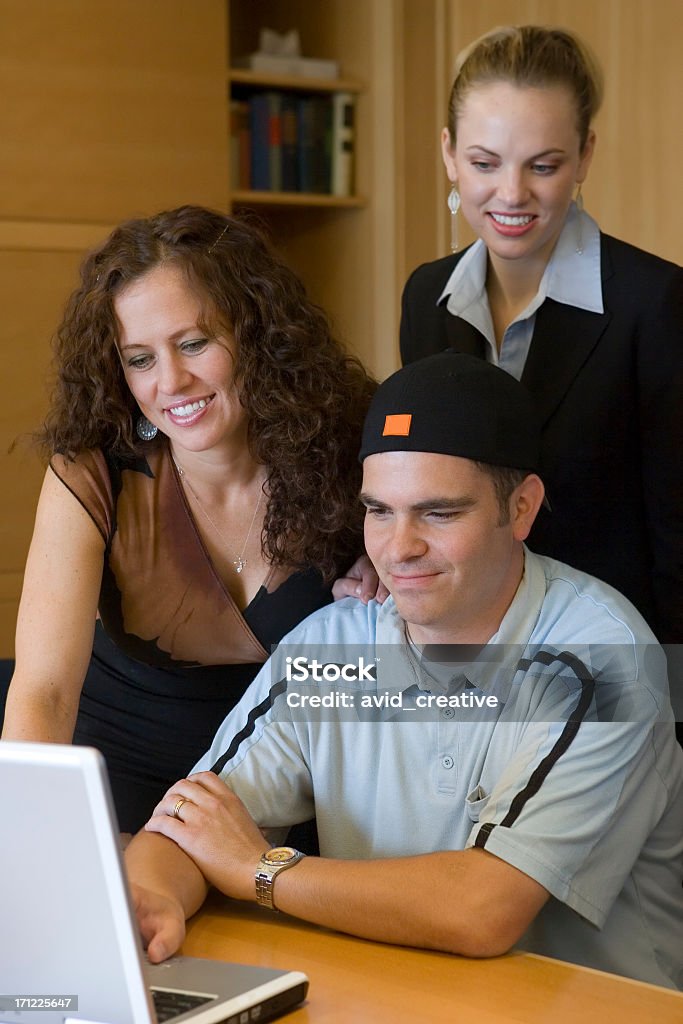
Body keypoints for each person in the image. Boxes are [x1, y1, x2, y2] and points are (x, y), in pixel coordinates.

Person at [125, 353, 683, 990]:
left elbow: (482, 909)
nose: (399, 548)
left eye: (439, 513)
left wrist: (261, 869)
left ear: (523, 508)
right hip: (380, 997)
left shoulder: (597, 658)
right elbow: (190, 824)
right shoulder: (333, 649)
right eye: (380, 511)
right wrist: (153, 898)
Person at [1, 205, 376, 833]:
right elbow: (46, 694)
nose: (171, 381)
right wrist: (34, 839)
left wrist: (392, 558)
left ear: (254, 331)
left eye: (194, 343)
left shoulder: (351, 444)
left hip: (283, 780)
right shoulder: (93, 472)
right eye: (139, 359)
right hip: (111, 754)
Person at [399, 25, 683, 648]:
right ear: (449, 152)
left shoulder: (656, 304)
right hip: (471, 655)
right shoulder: (427, 297)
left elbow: (677, 536)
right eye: (483, 163)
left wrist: (671, 710)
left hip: (612, 665)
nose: (511, 194)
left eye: (544, 166)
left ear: (584, 155)